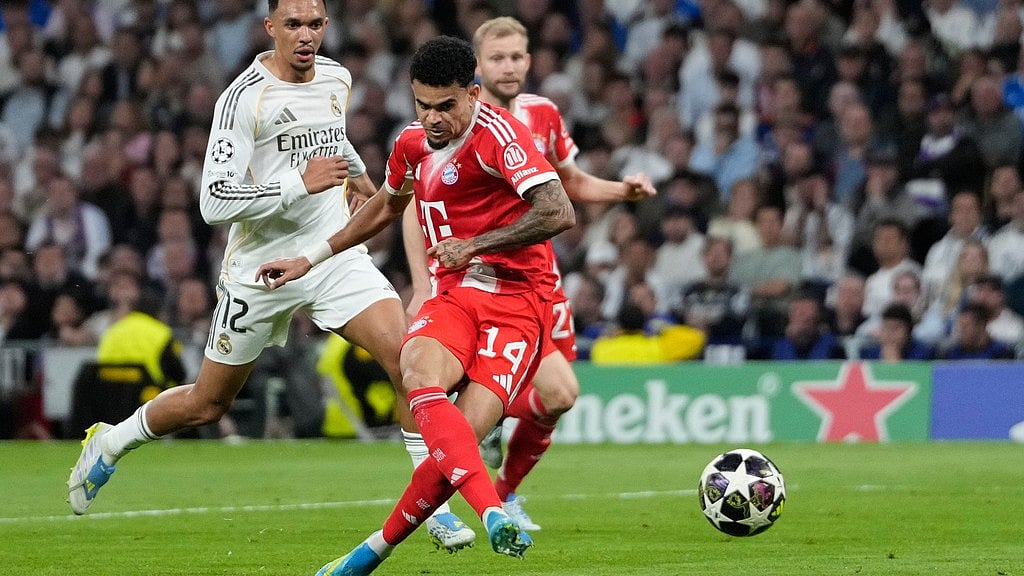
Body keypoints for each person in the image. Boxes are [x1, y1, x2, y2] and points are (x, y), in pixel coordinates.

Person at [67, 0, 406, 519]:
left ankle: (432, 506)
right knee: (208, 402)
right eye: (293, 25)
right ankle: (111, 443)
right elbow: (213, 202)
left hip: (330, 254)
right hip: (260, 270)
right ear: (271, 28)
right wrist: (298, 182)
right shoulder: (242, 99)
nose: (305, 35)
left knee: (404, 359)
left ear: (327, 27)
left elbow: (331, 137)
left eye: (315, 24)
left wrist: (360, 179)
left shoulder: (337, 78)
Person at [255, 35, 576, 574]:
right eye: (422, 105)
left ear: (473, 94)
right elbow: (385, 206)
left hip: (519, 301)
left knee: (461, 444)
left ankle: (370, 552)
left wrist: (475, 244)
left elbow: (558, 210)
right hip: (455, 291)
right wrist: (309, 259)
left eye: (445, 106)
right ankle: (492, 512)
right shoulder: (411, 143)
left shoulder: (501, 136)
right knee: (416, 371)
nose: (431, 118)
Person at [401, 16, 656, 547]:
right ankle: (456, 493)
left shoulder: (542, 114)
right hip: (469, 283)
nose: (510, 66)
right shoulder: (446, 127)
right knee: (483, 395)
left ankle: (499, 484)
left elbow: (569, 185)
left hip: (533, 282)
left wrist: (620, 193)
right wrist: (423, 281)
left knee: (558, 396)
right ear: (477, 68)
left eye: (518, 56)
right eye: (498, 58)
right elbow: (412, 203)